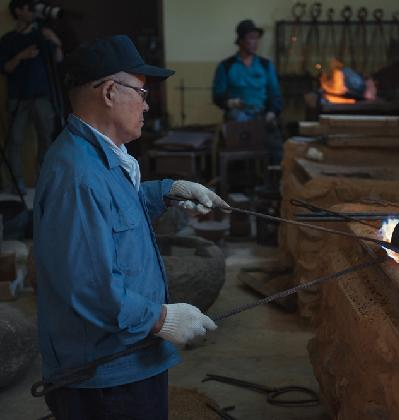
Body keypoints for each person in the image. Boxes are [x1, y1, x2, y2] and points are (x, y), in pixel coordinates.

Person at [34, 35, 229, 420]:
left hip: (129, 360)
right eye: (141, 91)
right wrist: (161, 318)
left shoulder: (99, 157)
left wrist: (168, 191)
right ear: (109, 91)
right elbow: (88, 286)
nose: (146, 102)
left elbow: (113, 208)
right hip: (106, 377)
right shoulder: (77, 175)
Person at [0, 0, 63, 193]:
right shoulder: (8, 39)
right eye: (28, 7)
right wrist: (22, 56)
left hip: (42, 96)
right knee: (15, 140)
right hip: (18, 97)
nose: (32, 11)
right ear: (18, 11)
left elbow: (58, 59)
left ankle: (44, 181)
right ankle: (16, 184)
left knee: (47, 138)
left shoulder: (41, 36)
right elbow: (5, 68)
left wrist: (55, 40)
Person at [212, 19, 284, 163]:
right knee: (236, 148)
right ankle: (238, 180)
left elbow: (275, 94)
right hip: (238, 117)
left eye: (257, 38)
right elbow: (217, 95)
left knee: (276, 149)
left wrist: (272, 112)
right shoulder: (226, 66)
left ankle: (273, 181)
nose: (255, 42)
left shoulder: (265, 65)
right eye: (251, 38)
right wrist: (230, 102)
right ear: (240, 40)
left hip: (262, 116)